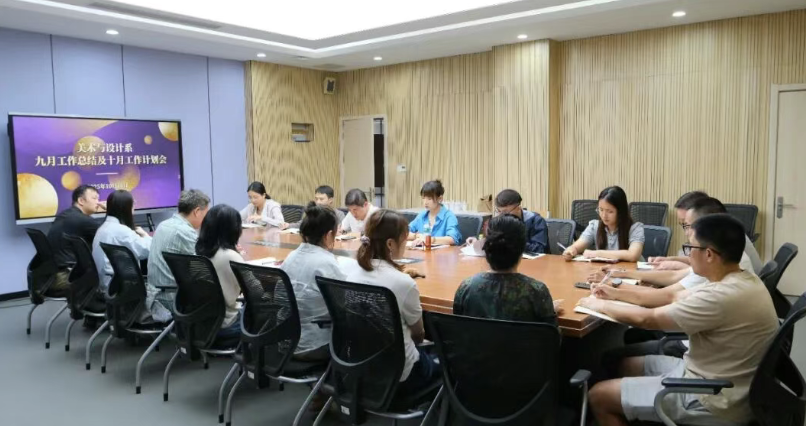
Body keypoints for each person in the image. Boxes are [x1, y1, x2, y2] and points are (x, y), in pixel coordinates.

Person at [578, 214, 778, 426]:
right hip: (713, 375)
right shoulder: (739, 279)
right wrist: (615, 293)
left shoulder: (720, 296)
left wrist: (596, 305)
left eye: (690, 247)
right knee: (625, 365)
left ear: (709, 254)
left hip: (712, 396)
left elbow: (648, 319)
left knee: (598, 396)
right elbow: (673, 296)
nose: (687, 254)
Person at [342, 209, 440, 397]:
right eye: (404, 239)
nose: (405, 244)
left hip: (360, 365)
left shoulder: (351, 273)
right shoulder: (404, 283)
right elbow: (419, 334)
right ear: (390, 244)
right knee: (446, 362)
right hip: (401, 374)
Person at [454, 214, 561, 324]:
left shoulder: (467, 287)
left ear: (486, 249)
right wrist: (549, 310)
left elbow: (458, 327)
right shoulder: (536, 292)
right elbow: (551, 333)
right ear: (522, 250)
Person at [91, 191, 168, 323]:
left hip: (108, 283)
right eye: (133, 204)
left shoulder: (104, 227)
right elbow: (146, 250)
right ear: (125, 207)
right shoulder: (121, 231)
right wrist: (145, 235)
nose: (134, 207)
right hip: (120, 286)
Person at [281, 203, 345, 361]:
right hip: (313, 345)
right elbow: (343, 306)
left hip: (284, 340)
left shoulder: (291, 257)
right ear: (328, 235)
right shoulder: (326, 263)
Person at [648, 191, 762, 275]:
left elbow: (704, 271)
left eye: (687, 224)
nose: (687, 232)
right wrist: (671, 260)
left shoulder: (727, 239)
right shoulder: (725, 232)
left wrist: (677, 266)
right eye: (683, 225)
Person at [196, 204, 244, 346]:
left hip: (203, 322)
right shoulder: (230, 256)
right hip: (227, 325)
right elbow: (255, 289)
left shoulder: (199, 251)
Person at [46, 185, 104, 297]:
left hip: (52, 275)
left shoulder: (65, 215)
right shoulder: (82, 220)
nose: (98, 202)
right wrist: (112, 211)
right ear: (81, 201)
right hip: (66, 276)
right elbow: (109, 234)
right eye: (94, 198)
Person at [563, 186, 644, 262]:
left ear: (620, 212)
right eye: (601, 210)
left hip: (631, 271)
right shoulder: (594, 226)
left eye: (610, 211)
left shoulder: (635, 228)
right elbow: (577, 246)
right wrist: (571, 250)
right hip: (606, 270)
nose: (604, 215)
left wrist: (597, 253)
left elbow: (633, 255)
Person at [407, 180, 462, 246]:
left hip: (443, 252)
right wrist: (417, 236)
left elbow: (452, 239)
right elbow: (403, 233)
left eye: (429, 199)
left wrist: (431, 240)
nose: (425, 202)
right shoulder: (422, 215)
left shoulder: (449, 216)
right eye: (423, 198)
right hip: (422, 251)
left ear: (440, 199)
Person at [494, 189, 548, 254]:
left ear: (518, 208)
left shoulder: (536, 221)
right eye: (498, 211)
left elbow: (540, 249)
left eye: (505, 212)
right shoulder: (499, 221)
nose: (502, 215)